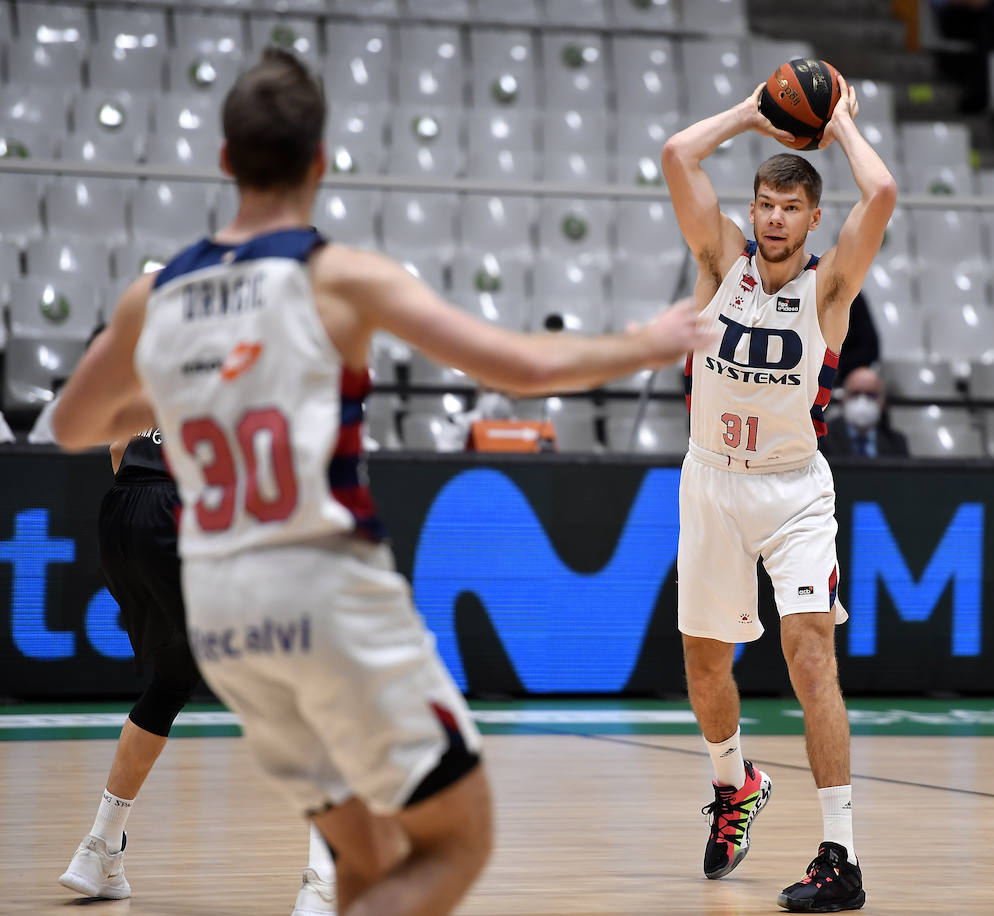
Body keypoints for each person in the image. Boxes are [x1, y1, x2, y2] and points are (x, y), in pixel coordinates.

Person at [52, 47, 705, 916]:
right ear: (322, 161)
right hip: (325, 598)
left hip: (228, 616)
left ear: (223, 161)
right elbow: (518, 366)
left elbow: (70, 427)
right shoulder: (342, 279)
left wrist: (176, 384)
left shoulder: (156, 295)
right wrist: (649, 342)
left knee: (365, 862)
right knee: (458, 841)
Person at [662, 73, 897, 912]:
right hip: (711, 482)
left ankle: (841, 855)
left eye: (788, 208)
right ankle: (735, 786)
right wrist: (750, 114)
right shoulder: (718, 258)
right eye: (763, 203)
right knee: (704, 667)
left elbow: (885, 191)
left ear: (810, 219)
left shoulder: (829, 289)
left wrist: (835, 125)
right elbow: (675, 155)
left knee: (809, 657)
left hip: (796, 492)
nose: (771, 218)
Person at [56, 430, 337, 913]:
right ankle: (326, 881)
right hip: (185, 510)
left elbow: (117, 448)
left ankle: (100, 849)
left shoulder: (174, 358)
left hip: (125, 515)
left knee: (170, 681)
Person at [821, 366, 909, 459]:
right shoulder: (822, 440)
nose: (862, 401)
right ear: (843, 399)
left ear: (883, 401)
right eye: (855, 394)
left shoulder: (896, 443)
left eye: (871, 395)